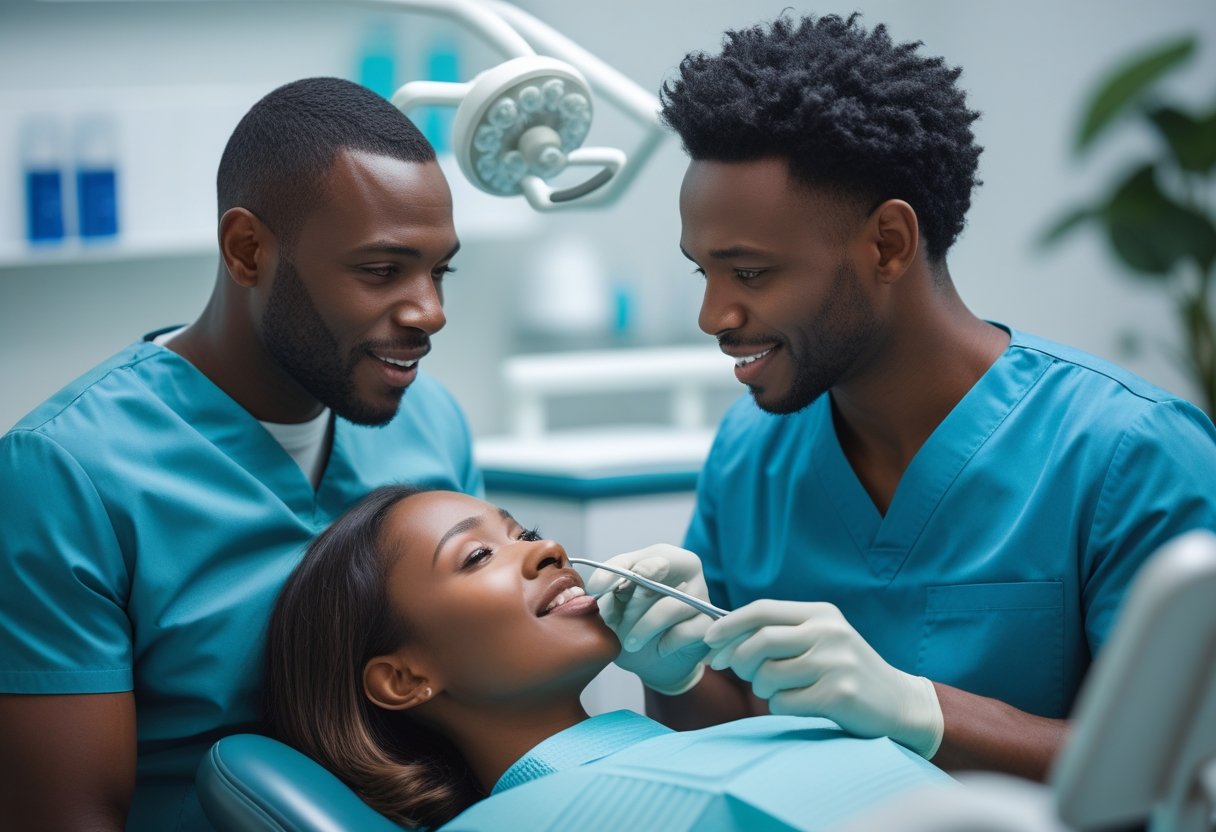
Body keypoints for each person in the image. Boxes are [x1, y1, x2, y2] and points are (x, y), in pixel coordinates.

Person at [616, 12, 1216, 780]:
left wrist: (919, 711)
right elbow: (728, 743)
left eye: (752, 274)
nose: (714, 318)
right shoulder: (750, 456)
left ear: (889, 244)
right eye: (704, 272)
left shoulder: (1130, 456)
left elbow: (1183, 771)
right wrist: (678, 673)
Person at [0, 77, 482, 831]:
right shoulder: (64, 475)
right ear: (248, 250)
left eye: (439, 270)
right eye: (382, 271)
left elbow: (487, 714)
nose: (431, 312)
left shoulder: (435, 428)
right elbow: (68, 816)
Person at [262, 485, 953, 831]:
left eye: (524, 531)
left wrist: (914, 713)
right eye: (477, 557)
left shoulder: (723, 741)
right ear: (404, 678)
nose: (547, 550)